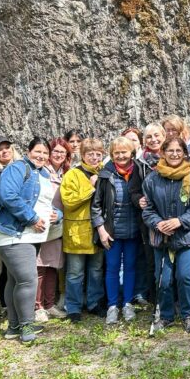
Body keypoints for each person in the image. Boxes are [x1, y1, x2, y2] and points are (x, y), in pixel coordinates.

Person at [0, 137, 62, 343]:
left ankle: (14, 326)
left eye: (45, 153)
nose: (41, 156)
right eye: (38, 152)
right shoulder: (17, 168)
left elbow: (42, 201)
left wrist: (56, 214)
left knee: (16, 280)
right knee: (28, 279)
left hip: (29, 234)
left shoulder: (42, 173)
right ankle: (26, 325)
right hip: (13, 233)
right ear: (28, 151)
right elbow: (8, 195)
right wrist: (32, 218)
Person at [142, 137, 190, 335]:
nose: (175, 154)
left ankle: (188, 315)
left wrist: (180, 221)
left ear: (185, 153)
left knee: (184, 276)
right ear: (163, 152)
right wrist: (158, 223)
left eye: (179, 150)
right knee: (163, 278)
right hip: (162, 238)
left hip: (187, 237)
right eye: (170, 150)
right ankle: (166, 316)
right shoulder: (152, 179)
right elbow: (147, 209)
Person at [91, 137, 141, 325]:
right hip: (111, 231)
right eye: (116, 153)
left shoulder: (138, 171)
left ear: (131, 153)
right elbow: (96, 206)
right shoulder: (105, 175)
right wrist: (101, 230)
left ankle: (127, 303)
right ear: (111, 155)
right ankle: (113, 305)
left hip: (134, 229)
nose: (121, 156)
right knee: (112, 268)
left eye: (124, 152)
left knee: (130, 267)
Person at [60, 137, 106, 323]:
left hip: (97, 230)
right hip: (77, 232)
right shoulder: (72, 174)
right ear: (83, 155)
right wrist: (90, 186)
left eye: (98, 154)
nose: (94, 158)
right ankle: (73, 307)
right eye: (90, 154)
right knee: (75, 273)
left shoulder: (105, 172)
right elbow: (68, 201)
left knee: (96, 270)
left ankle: (94, 303)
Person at [129, 123, 167, 306]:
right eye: (149, 137)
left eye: (157, 135)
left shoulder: (174, 155)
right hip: (149, 219)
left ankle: (173, 296)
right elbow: (133, 190)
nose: (154, 140)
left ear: (164, 136)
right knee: (152, 258)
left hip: (172, 215)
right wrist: (139, 200)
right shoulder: (140, 162)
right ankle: (156, 298)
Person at [35, 137, 71, 322]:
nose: (58, 155)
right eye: (55, 151)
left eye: (62, 152)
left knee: (52, 265)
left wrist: (60, 215)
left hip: (58, 225)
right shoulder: (41, 171)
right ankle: (37, 306)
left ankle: (49, 304)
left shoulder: (67, 173)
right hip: (39, 224)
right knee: (39, 266)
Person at [0, 135, 20, 314]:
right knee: (5, 267)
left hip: (17, 225)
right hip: (3, 224)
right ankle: (6, 305)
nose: (4, 151)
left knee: (14, 268)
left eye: (6, 147)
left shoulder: (21, 167)